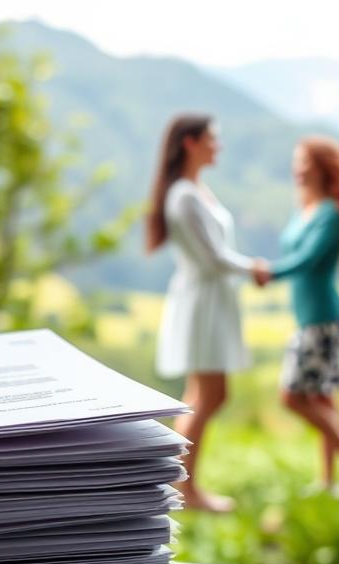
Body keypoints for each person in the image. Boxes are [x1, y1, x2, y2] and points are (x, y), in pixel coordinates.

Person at [146, 114, 267, 513]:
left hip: (212, 300)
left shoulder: (194, 190)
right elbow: (213, 257)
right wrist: (253, 268)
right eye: (212, 138)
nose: (219, 145)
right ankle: (185, 486)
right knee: (209, 395)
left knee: (203, 394)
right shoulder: (183, 195)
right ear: (190, 143)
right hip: (203, 303)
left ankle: (181, 483)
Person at [254, 137, 339, 494]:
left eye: (303, 161)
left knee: (292, 397)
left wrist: (271, 272)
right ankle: (328, 481)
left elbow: (307, 260)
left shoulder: (330, 214)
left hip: (325, 320)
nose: (297, 168)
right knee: (323, 400)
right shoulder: (304, 210)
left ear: (321, 166)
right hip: (310, 319)